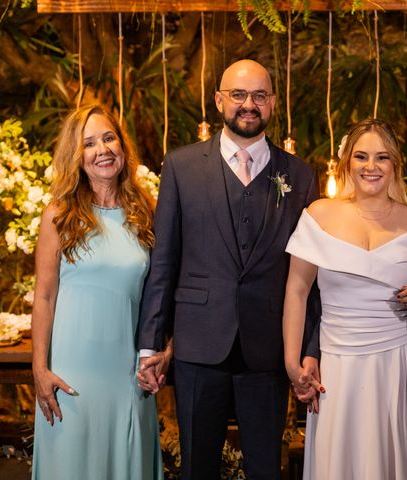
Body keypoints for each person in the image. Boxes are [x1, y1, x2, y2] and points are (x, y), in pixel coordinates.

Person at [136, 59, 319, 479]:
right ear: (219, 100)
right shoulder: (181, 167)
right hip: (198, 345)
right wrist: (151, 343)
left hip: (268, 349)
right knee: (197, 467)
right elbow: (164, 261)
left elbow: (309, 279)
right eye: (238, 94)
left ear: (272, 103)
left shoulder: (299, 174)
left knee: (265, 469)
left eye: (259, 95)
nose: (248, 104)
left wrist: (309, 348)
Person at [283, 118, 407, 479]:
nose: (371, 167)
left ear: (395, 165)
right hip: (340, 366)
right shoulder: (319, 215)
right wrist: (292, 362)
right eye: (361, 156)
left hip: (405, 365)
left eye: (381, 157)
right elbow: (297, 292)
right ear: (347, 162)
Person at [31, 105, 164, 479]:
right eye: (89, 144)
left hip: (128, 374)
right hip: (71, 372)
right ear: (76, 156)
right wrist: (40, 368)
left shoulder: (148, 213)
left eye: (109, 138)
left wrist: (165, 351)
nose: (102, 149)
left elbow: (163, 295)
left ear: (122, 146)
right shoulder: (58, 214)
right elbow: (43, 296)